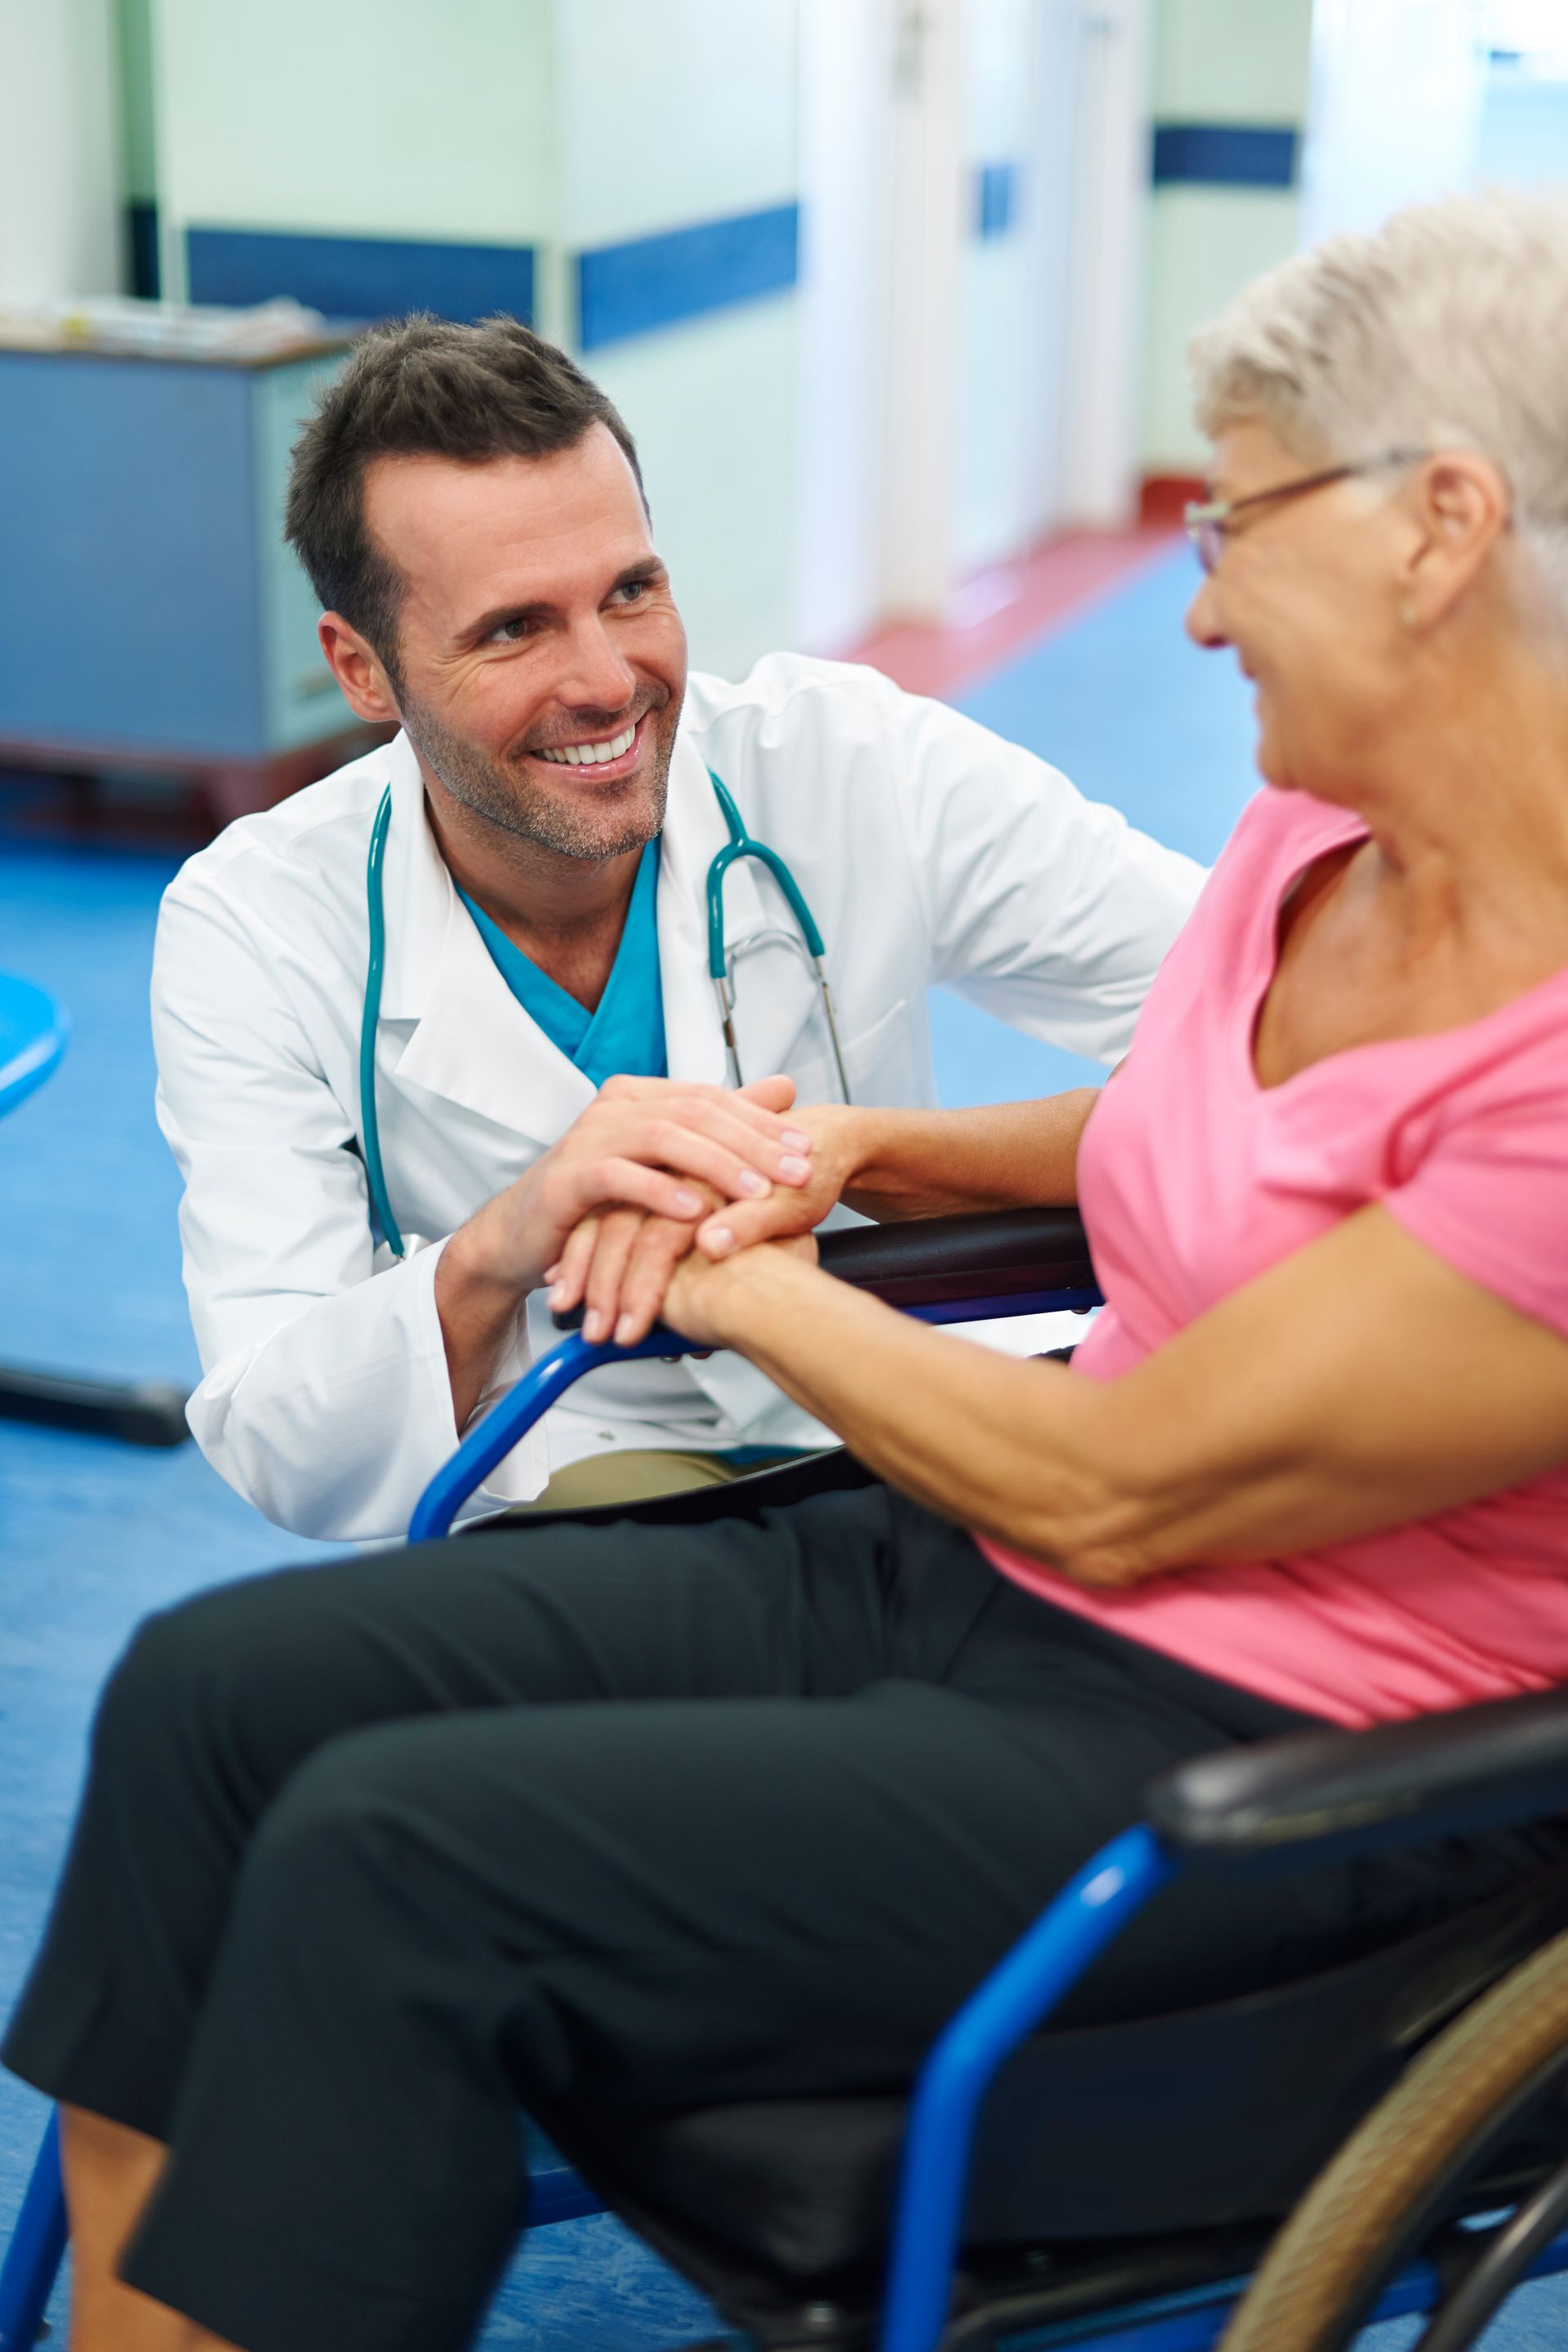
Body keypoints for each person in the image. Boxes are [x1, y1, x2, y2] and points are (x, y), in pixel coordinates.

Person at [15, 187, 1568, 2352]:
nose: (1196, 610)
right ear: (362, 670)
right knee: (213, 1696)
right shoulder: (1321, 846)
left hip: (1267, 1738)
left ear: (1441, 530)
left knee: (394, 1852)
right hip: (988, 1571)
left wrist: (743, 1267)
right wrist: (861, 1150)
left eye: (1228, 526)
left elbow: (1130, 1483)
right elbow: (1193, 1130)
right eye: (507, 630)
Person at [152, 313, 1202, 1541]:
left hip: (911, 1384)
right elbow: (283, 1440)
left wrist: (871, 1154)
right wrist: (503, 1243)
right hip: (573, 1456)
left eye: (631, 591)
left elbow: (1285, 1035)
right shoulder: (257, 927)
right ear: (363, 668)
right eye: (514, 627)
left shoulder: (852, 764)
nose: (606, 679)